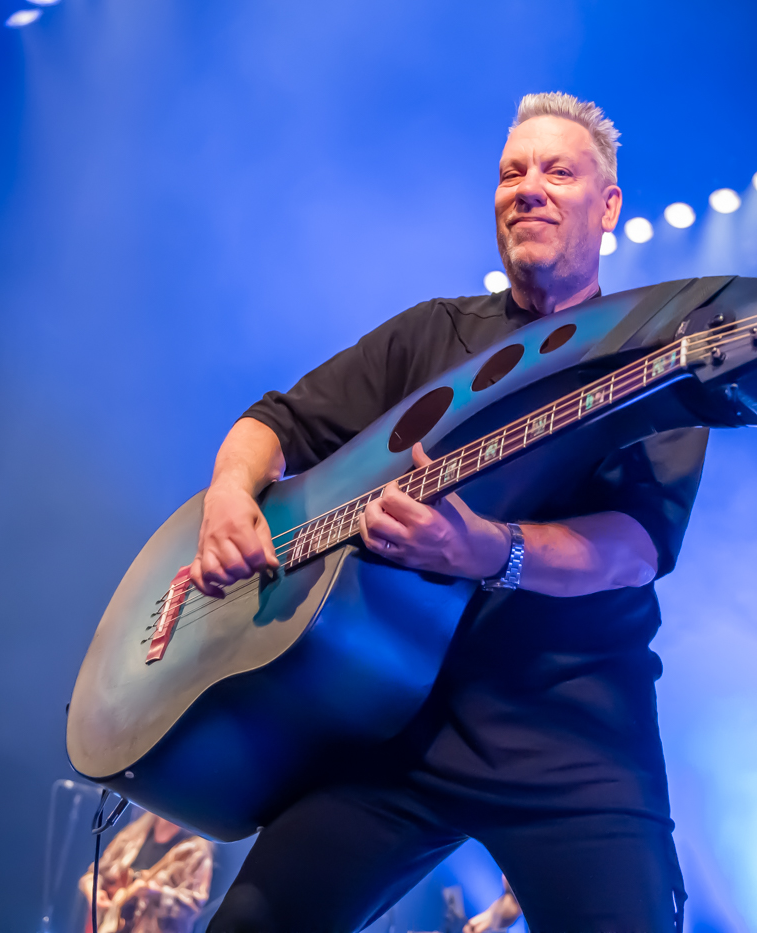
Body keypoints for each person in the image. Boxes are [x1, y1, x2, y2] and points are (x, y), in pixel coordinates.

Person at [194, 92, 701, 933]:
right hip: (399, 722)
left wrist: (490, 550)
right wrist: (227, 493)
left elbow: (635, 547)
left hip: (574, 735)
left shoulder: (656, 352)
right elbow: (277, 421)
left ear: (609, 205)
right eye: (512, 172)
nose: (528, 188)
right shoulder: (433, 334)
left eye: (558, 171)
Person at [79, 811, 214, 933]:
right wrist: (93, 890)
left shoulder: (196, 850)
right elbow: (96, 872)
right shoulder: (133, 834)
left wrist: (153, 891)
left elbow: (193, 905)